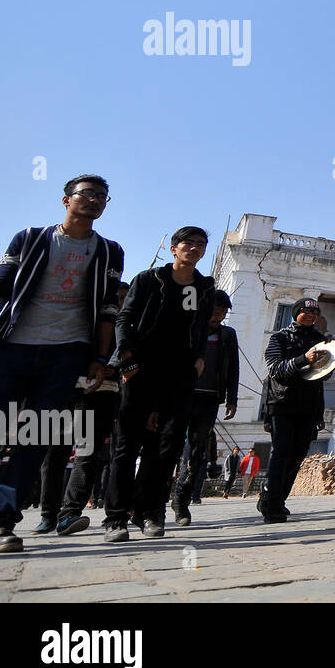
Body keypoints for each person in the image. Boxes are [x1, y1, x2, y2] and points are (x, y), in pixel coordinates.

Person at [0, 176, 125, 553]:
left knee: (34, 437)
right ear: (66, 200)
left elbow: (107, 310)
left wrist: (100, 358)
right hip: (13, 346)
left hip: (66, 353)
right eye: (87, 194)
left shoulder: (109, 251)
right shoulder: (30, 237)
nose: (95, 200)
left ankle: (1, 521)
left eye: (101, 196)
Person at [103, 226, 215, 542]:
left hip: (179, 373)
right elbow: (125, 319)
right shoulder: (149, 280)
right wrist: (126, 358)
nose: (194, 249)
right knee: (127, 445)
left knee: (166, 446)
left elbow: (199, 326)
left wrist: (199, 359)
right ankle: (116, 518)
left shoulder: (202, 287)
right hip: (142, 369)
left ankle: (150, 512)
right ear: (174, 248)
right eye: (188, 243)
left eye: (200, 245)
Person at [53, 280, 130, 534]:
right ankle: (60, 511)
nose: (121, 304)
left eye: (125, 299)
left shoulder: (129, 329)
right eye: (117, 299)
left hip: (112, 397)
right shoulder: (92, 326)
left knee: (94, 454)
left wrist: (116, 368)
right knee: (72, 453)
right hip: (83, 394)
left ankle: (76, 510)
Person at [172, 289, 238, 524]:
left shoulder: (228, 335)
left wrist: (232, 398)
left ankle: (181, 500)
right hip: (182, 395)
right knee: (170, 446)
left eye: (222, 312)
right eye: (214, 310)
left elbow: (233, 369)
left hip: (210, 398)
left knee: (196, 451)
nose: (217, 315)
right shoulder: (190, 330)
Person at [258, 296, 327, 522]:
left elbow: (321, 378)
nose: (309, 316)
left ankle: (274, 497)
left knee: (297, 456)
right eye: (305, 312)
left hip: (308, 406)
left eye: (314, 313)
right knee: (281, 453)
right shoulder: (280, 337)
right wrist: (302, 359)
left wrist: (320, 412)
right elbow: (275, 369)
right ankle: (273, 505)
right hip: (282, 404)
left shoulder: (320, 340)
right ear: (296, 312)